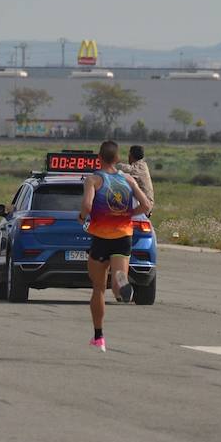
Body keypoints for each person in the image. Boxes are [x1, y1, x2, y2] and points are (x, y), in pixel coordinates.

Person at [79, 139, 152, 350]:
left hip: (101, 237)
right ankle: (121, 281)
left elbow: (87, 204)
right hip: (123, 236)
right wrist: (129, 213)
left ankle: (98, 336)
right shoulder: (128, 179)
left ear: (99, 158)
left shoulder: (94, 179)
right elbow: (146, 205)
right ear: (118, 159)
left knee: (98, 288)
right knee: (118, 283)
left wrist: (83, 216)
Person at [116, 145, 155, 211]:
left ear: (130, 155)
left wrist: (112, 164)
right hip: (145, 204)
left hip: (144, 206)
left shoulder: (138, 168)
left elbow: (128, 169)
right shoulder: (142, 165)